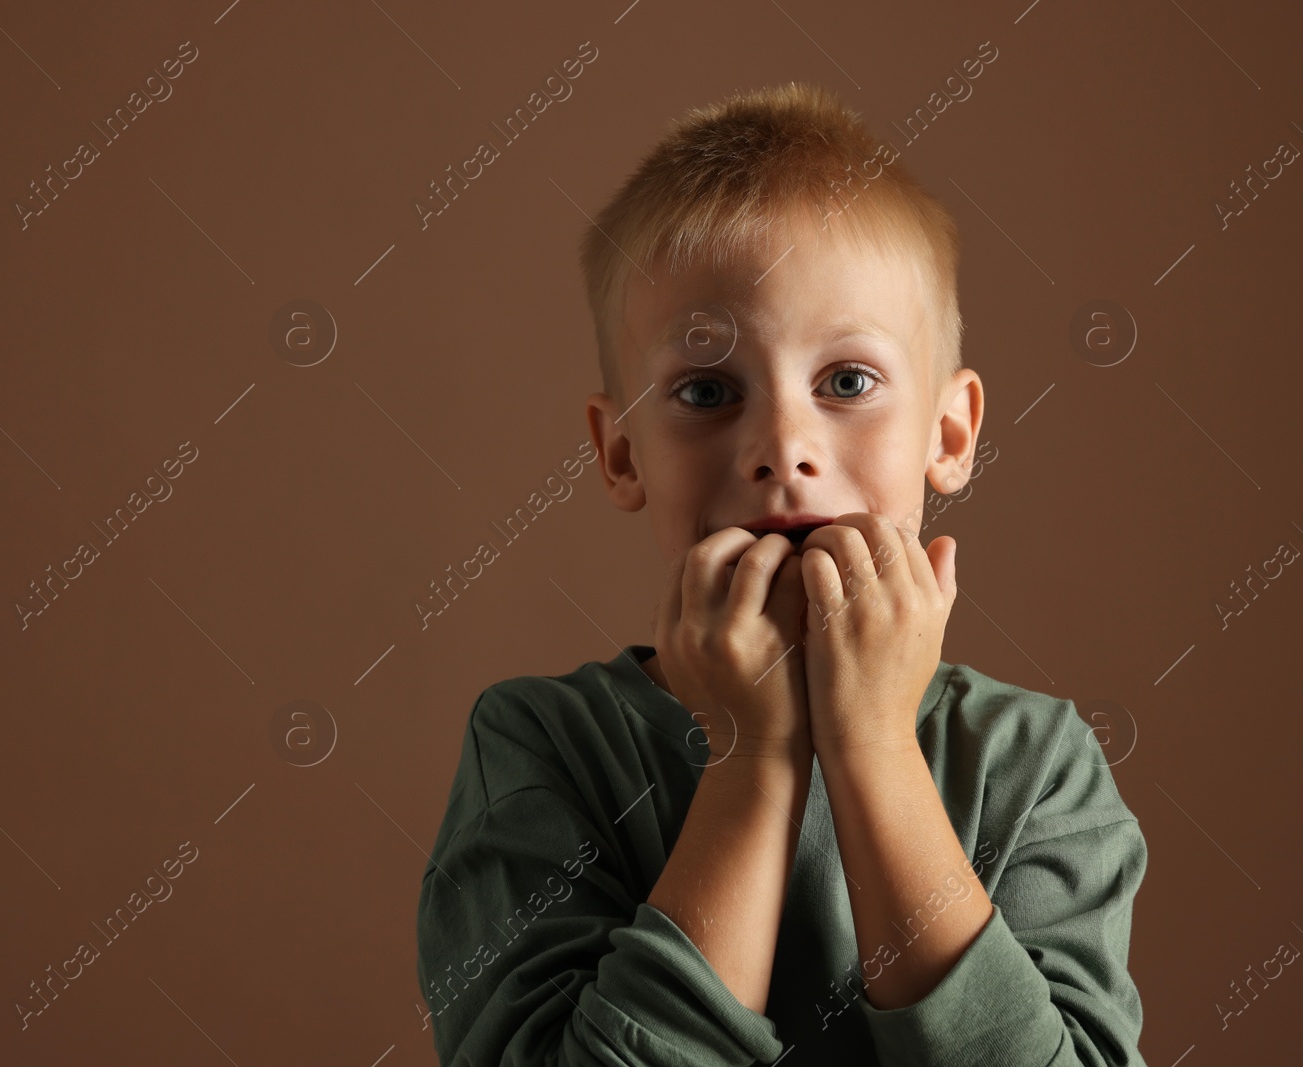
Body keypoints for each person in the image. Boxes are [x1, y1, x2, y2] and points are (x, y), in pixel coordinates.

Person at [414, 82, 1148, 1066]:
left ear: (949, 430)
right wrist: (749, 755)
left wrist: (876, 743)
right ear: (622, 451)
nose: (780, 446)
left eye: (847, 381)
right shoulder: (541, 747)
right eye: (707, 390)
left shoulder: (1035, 763)